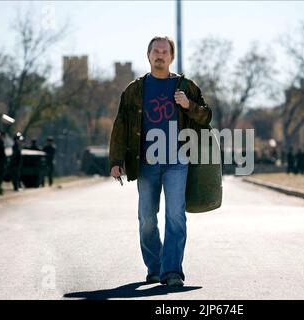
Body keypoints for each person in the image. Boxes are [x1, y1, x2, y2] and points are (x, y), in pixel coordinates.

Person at [109, 36, 212, 287]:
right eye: (156, 51)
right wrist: (116, 160)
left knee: (175, 215)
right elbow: (121, 124)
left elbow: (206, 116)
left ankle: (172, 271)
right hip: (146, 161)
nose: (160, 55)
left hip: (178, 158)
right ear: (148, 55)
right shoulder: (135, 90)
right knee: (147, 217)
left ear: (171, 57)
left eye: (165, 51)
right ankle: (155, 268)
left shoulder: (185, 86)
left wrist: (188, 105)